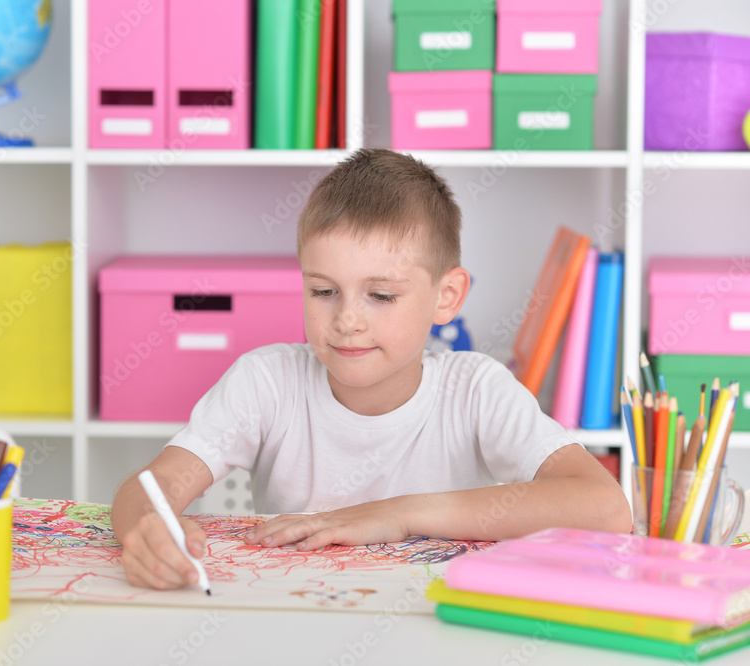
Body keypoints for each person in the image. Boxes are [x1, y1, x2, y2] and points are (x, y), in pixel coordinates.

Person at [110, 148, 632, 591]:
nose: (347, 321)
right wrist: (146, 527)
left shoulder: (477, 390)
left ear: (446, 297)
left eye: (381, 295)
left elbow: (604, 508)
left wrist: (399, 514)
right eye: (323, 291)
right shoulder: (265, 382)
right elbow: (149, 487)